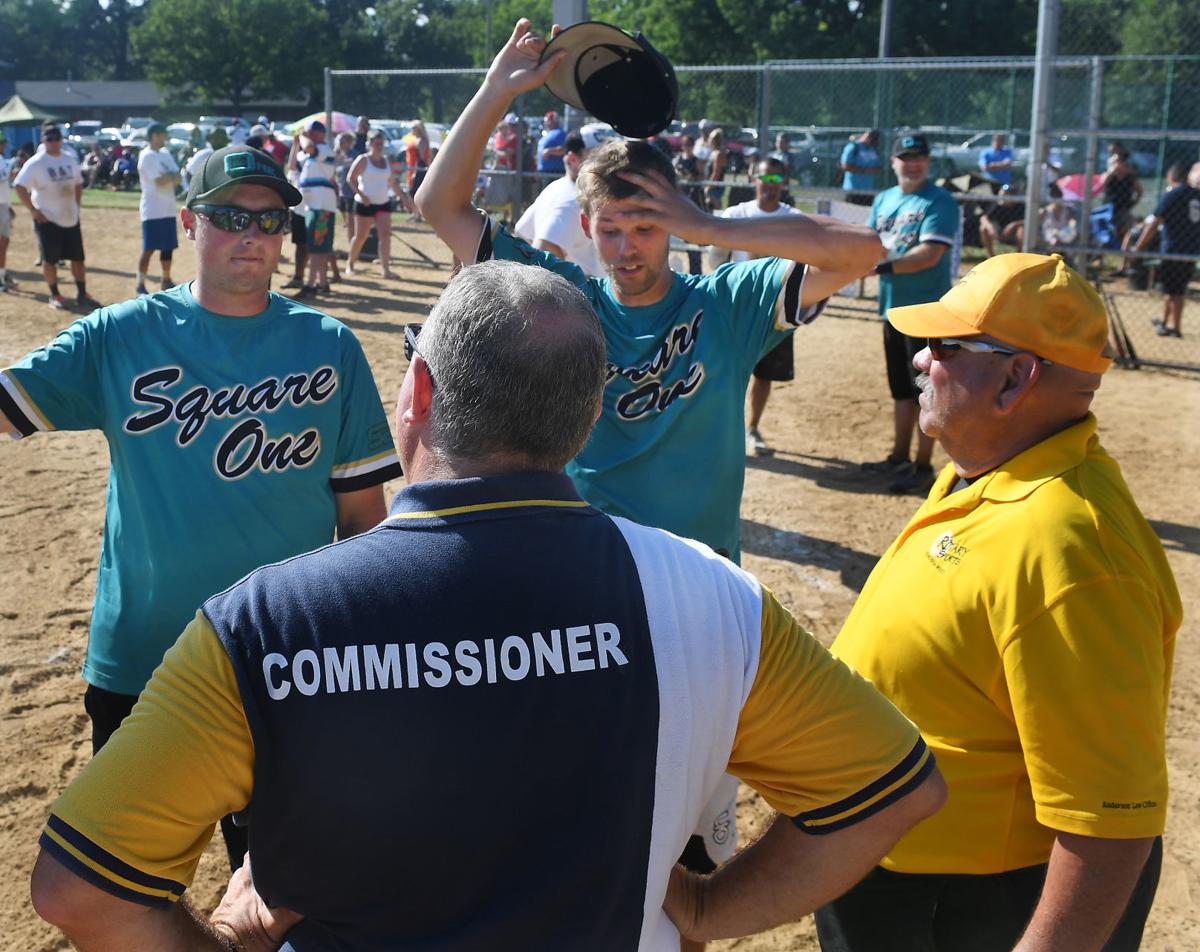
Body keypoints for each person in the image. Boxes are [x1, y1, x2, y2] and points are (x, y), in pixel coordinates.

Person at [30, 258, 946, 952]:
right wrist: (709, 905)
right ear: (588, 419)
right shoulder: (713, 597)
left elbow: (82, 890)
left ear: (419, 392)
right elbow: (890, 793)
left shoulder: (264, 623)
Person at [415, 21, 882, 949]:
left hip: (698, 610)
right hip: (579, 597)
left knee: (686, 857)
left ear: (672, 223)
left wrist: (708, 227)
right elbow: (440, 204)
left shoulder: (727, 305)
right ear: (584, 227)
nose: (628, 244)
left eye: (647, 224)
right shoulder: (558, 302)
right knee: (567, 827)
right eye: (612, 225)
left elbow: (857, 252)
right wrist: (500, 88)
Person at [1, 142, 402, 872]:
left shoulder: (329, 346)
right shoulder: (118, 337)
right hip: (143, 658)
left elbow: (363, 522)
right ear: (188, 222)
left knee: (283, 885)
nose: (251, 234)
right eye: (228, 216)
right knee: (119, 884)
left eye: (271, 219)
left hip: (287, 660)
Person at [815, 252, 1181, 952]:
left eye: (946, 346)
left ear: (1015, 378)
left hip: (968, 903)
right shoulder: (990, 465)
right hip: (899, 871)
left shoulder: (1074, 548)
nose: (921, 360)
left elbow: (1112, 824)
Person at [862, 133, 961, 496]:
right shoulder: (884, 199)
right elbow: (869, 243)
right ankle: (899, 457)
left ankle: (922, 466)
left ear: (929, 161)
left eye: (919, 156)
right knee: (901, 391)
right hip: (893, 309)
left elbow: (929, 254)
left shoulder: (940, 201)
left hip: (926, 310)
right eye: (906, 156)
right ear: (893, 162)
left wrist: (880, 269)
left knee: (928, 390)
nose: (913, 163)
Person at [709, 156, 802, 457]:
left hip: (775, 310)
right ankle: (725, 430)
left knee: (764, 374)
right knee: (730, 372)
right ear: (754, 179)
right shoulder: (737, 213)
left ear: (784, 182)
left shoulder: (793, 219)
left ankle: (752, 428)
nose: (770, 185)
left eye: (777, 179)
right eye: (765, 178)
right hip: (737, 307)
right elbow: (716, 256)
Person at [13, 122, 100, 311]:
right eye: (49, 139)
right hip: (48, 218)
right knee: (50, 259)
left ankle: (82, 293)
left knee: (78, 258)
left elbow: (78, 183)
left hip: (70, 217)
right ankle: (55, 294)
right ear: (44, 141)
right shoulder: (36, 162)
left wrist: (76, 205)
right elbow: (19, 186)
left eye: (57, 138)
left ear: (61, 140)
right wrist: (34, 211)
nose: (54, 142)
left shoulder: (69, 159)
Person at [513, 125, 611, 277]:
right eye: (597, 158)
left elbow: (522, 233)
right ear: (572, 159)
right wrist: (579, 286)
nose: (608, 165)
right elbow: (542, 253)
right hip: (584, 296)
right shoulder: (573, 201)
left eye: (609, 157)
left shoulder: (558, 187)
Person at [1134, 162, 1200, 338]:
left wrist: (1138, 246)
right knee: (1171, 288)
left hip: (1173, 249)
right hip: (1191, 250)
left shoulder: (1172, 195)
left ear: (1172, 177)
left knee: (1175, 292)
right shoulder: (1196, 195)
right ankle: (1163, 319)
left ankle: (1175, 327)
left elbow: (1154, 223)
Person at [290, 119, 338, 299]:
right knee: (317, 246)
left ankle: (311, 285)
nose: (307, 136)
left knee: (317, 247)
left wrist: (302, 136)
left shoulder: (324, 150)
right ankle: (323, 283)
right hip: (313, 206)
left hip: (322, 206)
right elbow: (293, 165)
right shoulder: (310, 155)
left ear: (320, 134)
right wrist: (296, 144)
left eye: (311, 132)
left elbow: (309, 147)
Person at [346, 129, 401, 278]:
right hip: (365, 203)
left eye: (381, 143)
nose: (379, 146)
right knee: (361, 236)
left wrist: (404, 198)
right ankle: (350, 263)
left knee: (385, 236)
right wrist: (361, 195)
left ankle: (385, 269)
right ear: (369, 144)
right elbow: (350, 178)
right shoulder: (363, 159)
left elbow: (392, 182)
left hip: (383, 203)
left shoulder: (386, 161)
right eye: (376, 143)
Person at [135, 122, 181, 296]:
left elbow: (177, 178)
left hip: (168, 208)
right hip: (152, 210)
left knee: (167, 247)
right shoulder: (147, 156)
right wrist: (171, 177)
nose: (165, 138)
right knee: (149, 248)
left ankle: (166, 280)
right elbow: (160, 181)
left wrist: (169, 177)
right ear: (154, 136)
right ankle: (140, 284)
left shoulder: (165, 153)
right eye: (162, 134)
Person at [672, 134, 706, 275]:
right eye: (685, 145)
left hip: (694, 201)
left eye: (689, 145)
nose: (687, 148)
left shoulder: (696, 161)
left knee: (694, 241)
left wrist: (690, 176)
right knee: (682, 241)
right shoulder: (678, 160)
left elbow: (700, 177)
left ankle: (696, 272)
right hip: (680, 202)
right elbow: (674, 176)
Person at [1101, 142, 1143, 244]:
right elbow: (1102, 184)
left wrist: (1134, 202)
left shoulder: (1130, 176)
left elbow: (1139, 190)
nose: (1118, 164)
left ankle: (1123, 247)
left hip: (1124, 207)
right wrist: (1112, 171)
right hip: (1109, 207)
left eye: (1120, 161)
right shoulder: (1109, 175)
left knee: (1126, 227)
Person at [978, 184, 1025, 257]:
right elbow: (983, 218)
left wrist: (1014, 225)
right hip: (999, 232)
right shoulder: (997, 205)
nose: (1004, 196)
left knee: (1021, 230)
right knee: (983, 228)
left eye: (1007, 194)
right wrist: (990, 228)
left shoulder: (1020, 206)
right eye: (1003, 193)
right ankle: (990, 256)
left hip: (1014, 234)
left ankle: (1018, 256)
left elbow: (1029, 220)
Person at [839, 129, 882, 206]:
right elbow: (845, 166)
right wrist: (864, 171)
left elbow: (878, 167)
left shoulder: (873, 149)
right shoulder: (853, 147)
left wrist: (873, 170)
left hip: (868, 191)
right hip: (852, 190)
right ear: (867, 136)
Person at [334, 131, 358, 247]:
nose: (340, 144)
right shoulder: (339, 155)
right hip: (341, 192)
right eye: (339, 141)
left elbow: (351, 163)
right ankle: (352, 242)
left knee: (351, 222)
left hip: (351, 193)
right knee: (347, 222)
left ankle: (352, 245)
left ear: (349, 143)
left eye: (342, 141)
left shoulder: (354, 154)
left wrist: (338, 159)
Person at [0, 128, 14, 293]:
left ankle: (2, 274)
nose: (4, 146)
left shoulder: (2, 159)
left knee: (5, 243)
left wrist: (9, 206)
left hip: (4, 206)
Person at [703, 127, 727, 212]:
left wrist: (708, 187)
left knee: (716, 210)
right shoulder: (713, 153)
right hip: (711, 187)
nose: (708, 140)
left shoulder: (718, 154)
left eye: (710, 138)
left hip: (715, 188)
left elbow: (716, 173)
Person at [536, 109, 566, 176]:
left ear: (552, 121)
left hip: (554, 172)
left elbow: (564, 150)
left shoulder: (559, 133)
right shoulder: (547, 134)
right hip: (543, 172)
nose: (545, 123)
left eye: (547, 121)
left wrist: (549, 151)